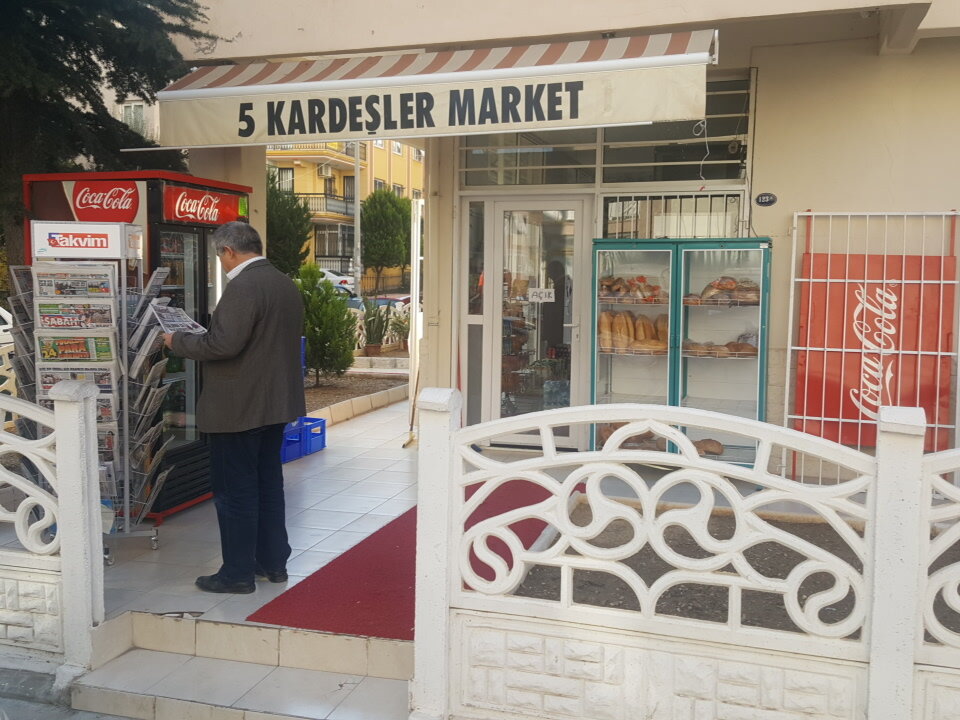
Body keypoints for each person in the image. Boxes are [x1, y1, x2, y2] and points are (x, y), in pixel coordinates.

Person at [163, 221, 305, 594]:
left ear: (228, 251)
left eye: (220, 257)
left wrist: (175, 339)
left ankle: (237, 573)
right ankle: (273, 564)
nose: (222, 264)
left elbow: (222, 346)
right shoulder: (282, 282)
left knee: (235, 492)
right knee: (268, 485)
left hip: (238, 409)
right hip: (274, 404)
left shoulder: (243, 286)